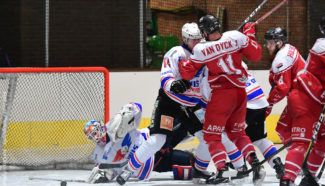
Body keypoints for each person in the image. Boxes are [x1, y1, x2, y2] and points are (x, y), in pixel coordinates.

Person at [115, 22, 215, 185]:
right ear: (184, 39)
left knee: (207, 138)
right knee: (158, 140)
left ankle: (199, 170)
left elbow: (206, 82)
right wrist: (174, 85)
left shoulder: (203, 55)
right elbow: (166, 76)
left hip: (191, 106)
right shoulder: (176, 53)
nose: (196, 43)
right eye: (193, 40)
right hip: (169, 103)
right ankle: (129, 169)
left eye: (198, 39)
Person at [179, 14, 265, 184]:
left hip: (222, 95)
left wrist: (183, 63)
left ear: (204, 32)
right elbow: (256, 54)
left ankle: (222, 169)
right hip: (241, 93)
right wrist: (249, 33)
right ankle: (255, 163)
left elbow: (186, 72)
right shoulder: (236, 36)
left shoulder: (200, 50)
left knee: (211, 135)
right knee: (238, 133)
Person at [263, 26, 325, 186]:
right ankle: (306, 171)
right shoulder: (290, 48)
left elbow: (282, 87)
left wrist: (268, 105)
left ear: (279, 42)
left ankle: (292, 176)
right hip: (307, 98)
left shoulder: (281, 58)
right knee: (283, 128)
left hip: (303, 99)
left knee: (301, 142)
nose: (268, 46)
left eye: (270, 42)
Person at [84, 102, 196, 183]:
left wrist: (128, 110)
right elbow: (112, 172)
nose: (96, 137)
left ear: (101, 127)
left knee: (184, 123)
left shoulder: (115, 125)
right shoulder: (99, 154)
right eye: (92, 136)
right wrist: (105, 176)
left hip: (151, 139)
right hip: (153, 163)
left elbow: (138, 107)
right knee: (189, 162)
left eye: (95, 132)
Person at [299, 13, 325, 184]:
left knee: (323, 141)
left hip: (311, 100)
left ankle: (309, 177)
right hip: (307, 101)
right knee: (314, 141)